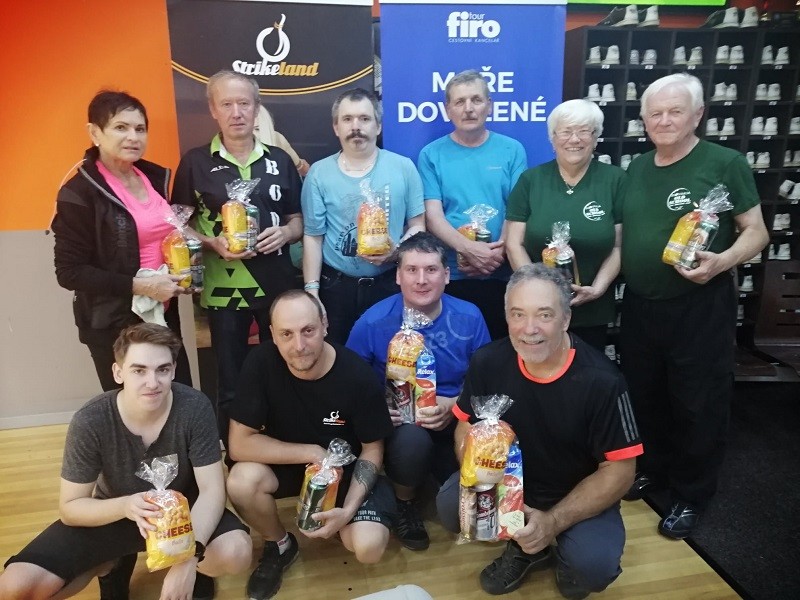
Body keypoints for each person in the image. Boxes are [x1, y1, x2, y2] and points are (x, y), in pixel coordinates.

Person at [0, 323, 252, 600]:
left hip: (181, 512)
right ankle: (111, 564)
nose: (152, 382)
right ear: (118, 372)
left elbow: (212, 490)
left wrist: (189, 557)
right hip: (114, 512)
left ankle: (195, 568)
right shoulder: (91, 420)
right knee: (15, 587)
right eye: (139, 370)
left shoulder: (194, 407)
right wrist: (125, 506)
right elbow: (70, 507)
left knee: (236, 551)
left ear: (173, 370)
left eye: (162, 370)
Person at [619, 73, 769, 539]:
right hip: (641, 306)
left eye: (675, 111)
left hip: (699, 305)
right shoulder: (637, 167)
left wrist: (723, 261)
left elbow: (757, 231)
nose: (664, 120)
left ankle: (692, 494)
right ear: (643, 119)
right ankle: (655, 469)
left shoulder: (725, 163)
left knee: (698, 402)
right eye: (655, 113)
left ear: (698, 114)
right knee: (645, 394)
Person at [436, 264, 642, 598]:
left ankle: (561, 549)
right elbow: (465, 426)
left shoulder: (604, 381)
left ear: (566, 319)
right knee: (450, 508)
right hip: (507, 482)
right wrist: (482, 479)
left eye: (544, 315)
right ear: (506, 317)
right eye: (518, 314)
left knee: (594, 566)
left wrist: (554, 521)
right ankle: (527, 549)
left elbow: (620, 471)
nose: (529, 329)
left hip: (576, 491)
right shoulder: (488, 361)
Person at [225, 290, 396, 600]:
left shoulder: (357, 375)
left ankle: (342, 522)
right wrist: (312, 453)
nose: (299, 345)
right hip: (290, 465)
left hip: (345, 472)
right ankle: (280, 544)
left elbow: (373, 448)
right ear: (272, 335)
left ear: (325, 325)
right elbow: (238, 444)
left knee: (368, 547)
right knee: (240, 481)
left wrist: (348, 510)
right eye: (286, 334)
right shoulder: (260, 362)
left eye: (308, 330)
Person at [172, 70, 303, 449]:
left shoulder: (279, 159)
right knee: (230, 380)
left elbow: (298, 220)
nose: (236, 112)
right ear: (213, 110)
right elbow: (177, 224)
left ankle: (286, 446)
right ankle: (234, 455)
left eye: (244, 103)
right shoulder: (195, 162)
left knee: (286, 372)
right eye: (226, 104)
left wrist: (286, 233)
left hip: (277, 286)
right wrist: (210, 242)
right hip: (223, 291)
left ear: (257, 108)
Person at [346, 232, 490, 551]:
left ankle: (455, 486)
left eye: (431, 269)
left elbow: (487, 380)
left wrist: (454, 404)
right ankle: (404, 502)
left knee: (466, 486)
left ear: (447, 275)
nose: (421, 280)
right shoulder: (372, 322)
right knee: (412, 443)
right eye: (411, 270)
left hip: (457, 416)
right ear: (398, 276)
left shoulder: (470, 316)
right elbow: (349, 382)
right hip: (402, 425)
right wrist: (378, 407)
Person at [52, 90, 192, 391]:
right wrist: (143, 286)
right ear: (95, 133)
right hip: (113, 324)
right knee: (131, 408)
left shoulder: (154, 178)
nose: (133, 137)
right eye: (120, 127)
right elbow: (69, 272)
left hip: (162, 315)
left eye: (140, 129)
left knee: (179, 399)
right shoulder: (78, 193)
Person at [301, 88, 425, 344]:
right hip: (336, 288)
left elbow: (418, 225)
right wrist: (312, 292)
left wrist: (396, 251)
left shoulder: (403, 167)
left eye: (364, 119)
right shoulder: (318, 173)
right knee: (336, 356)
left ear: (378, 126)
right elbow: (313, 237)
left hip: (390, 283)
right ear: (336, 127)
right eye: (347, 119)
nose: (355, 127)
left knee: (391, 355)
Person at [505, 99, 625, 351]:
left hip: (592, 306)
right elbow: (514, 243)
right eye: (566, 131)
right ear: (553, 138)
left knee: (588, 370)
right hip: (537, 311)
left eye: (584, 131)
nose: (574, 139)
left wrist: (598, 288)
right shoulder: (531, 180)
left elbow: (618, 246)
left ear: (595, 138)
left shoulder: (615, 180)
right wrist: (537, 290)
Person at [418, 69, 527, 340]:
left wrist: (495, 254)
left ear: (489, 105)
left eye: (476, 100)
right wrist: (468, 249)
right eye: (460, 102)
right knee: (454, 349)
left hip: (501, 272)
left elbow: (517, 211)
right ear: (448, 109)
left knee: (501, 350)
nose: (468, 108)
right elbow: (433, 216)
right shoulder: (431, 154)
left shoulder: (512, 150)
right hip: (451, 275)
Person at [255, 103, 310, 177]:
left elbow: (302, 168)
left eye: (257, 129)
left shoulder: (277, 137)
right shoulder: (276, 137)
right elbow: (302, 168)